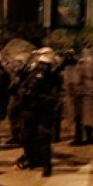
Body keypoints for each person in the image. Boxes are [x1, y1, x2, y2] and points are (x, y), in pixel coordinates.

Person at [15, 49, 61, 177]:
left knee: (43, 138)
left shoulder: (53, 78)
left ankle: (46, 166)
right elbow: (22, 89)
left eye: (45, 65)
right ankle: (32, 160)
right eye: (41, 64)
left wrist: (39, 96)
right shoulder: (32, 75)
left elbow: (54, 97)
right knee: (27, 136)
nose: (42, 67)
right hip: (29, 111)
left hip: (43, 112)